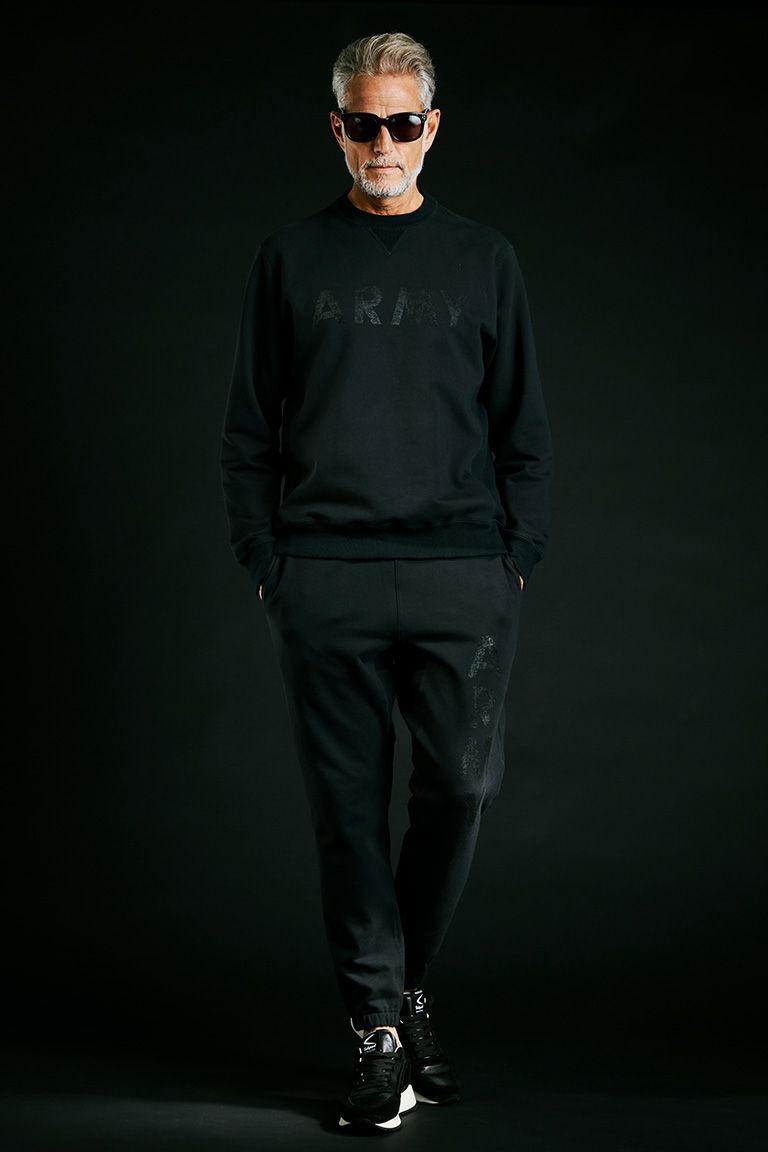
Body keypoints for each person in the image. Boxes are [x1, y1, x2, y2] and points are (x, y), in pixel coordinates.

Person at [220, 30, 553, 1133]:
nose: (384, 143)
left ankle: (405, 994)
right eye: (363, 124)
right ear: (337, 128)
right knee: (348, 813)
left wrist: (515, 559)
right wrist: (268, 564)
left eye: (403, 123)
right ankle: (375, 1031)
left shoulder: (484, 258)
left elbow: (523, 429)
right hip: (324, 577)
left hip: (464, 573)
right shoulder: (290, 258)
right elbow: (247, 432)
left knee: (461, 788)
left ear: (432, 127)